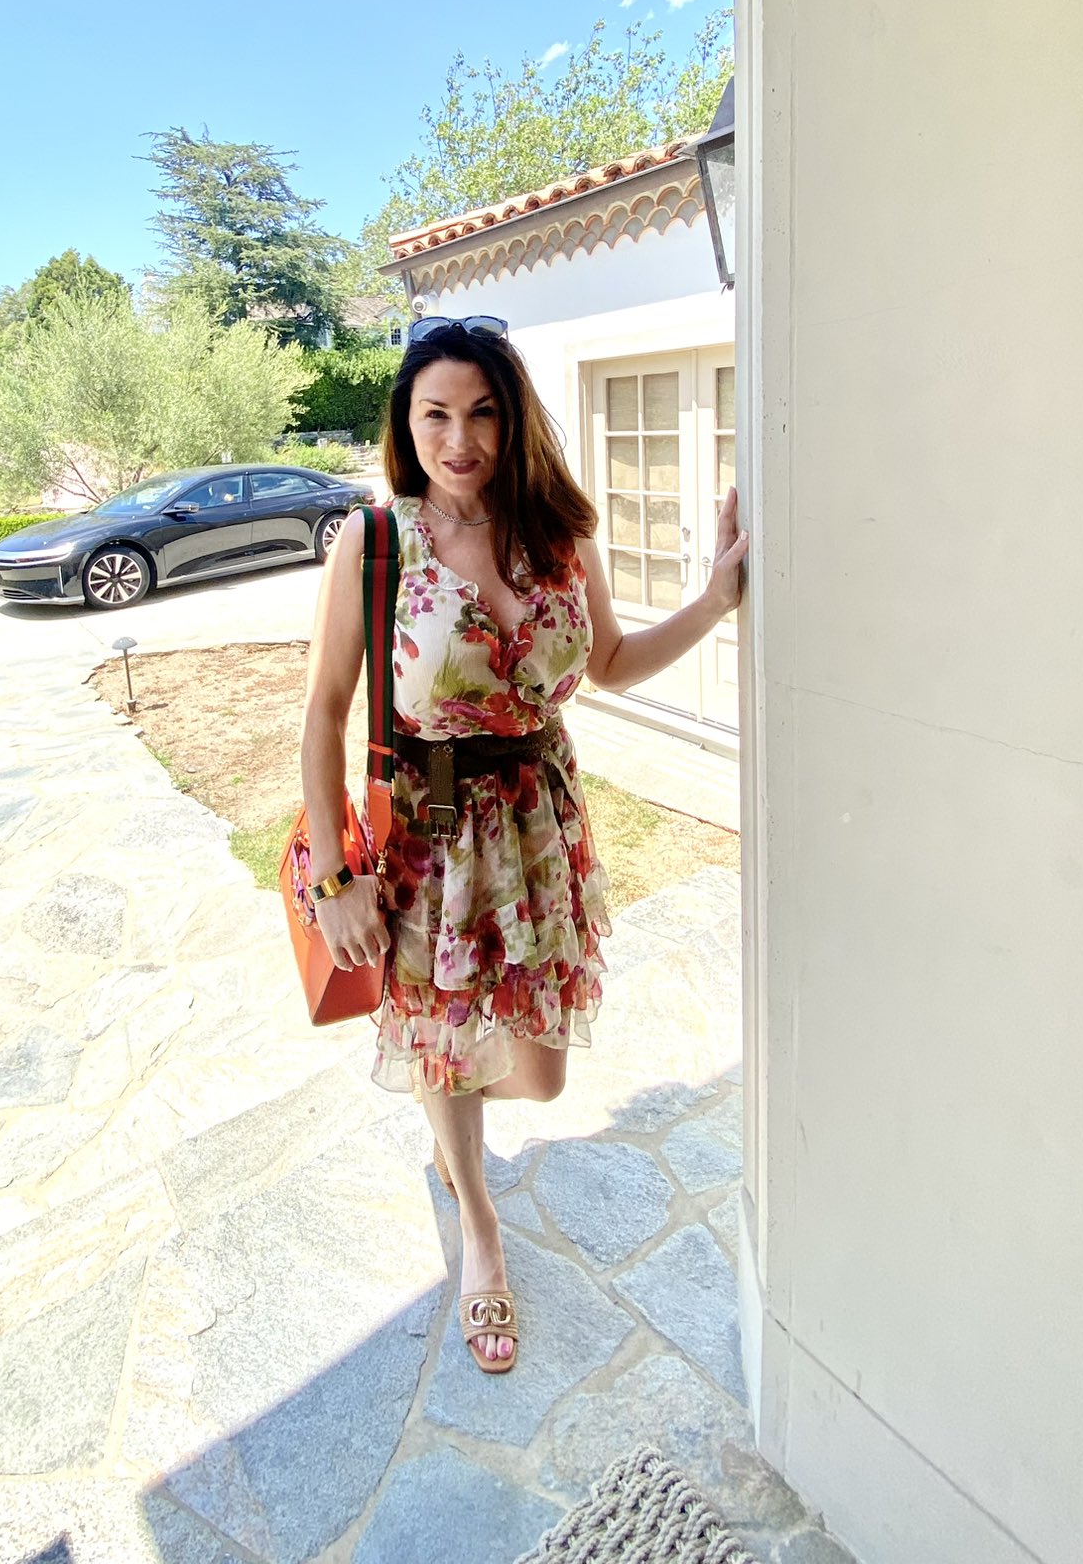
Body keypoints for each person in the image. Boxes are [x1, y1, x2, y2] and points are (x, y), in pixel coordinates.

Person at [299, 315, 748, 1374]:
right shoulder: (378, 543)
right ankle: (480, 1227)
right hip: (429, 835)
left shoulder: (558, 533)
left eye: (483, 412)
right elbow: (323, 711)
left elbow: (613, 662)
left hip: (541, 832)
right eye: (436, 414)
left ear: (514, 418)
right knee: (446, 1036)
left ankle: (442, 1101)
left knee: (537, 1073)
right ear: (406, 424)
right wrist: (334, 877)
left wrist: (717, 598)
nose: (460, 440)